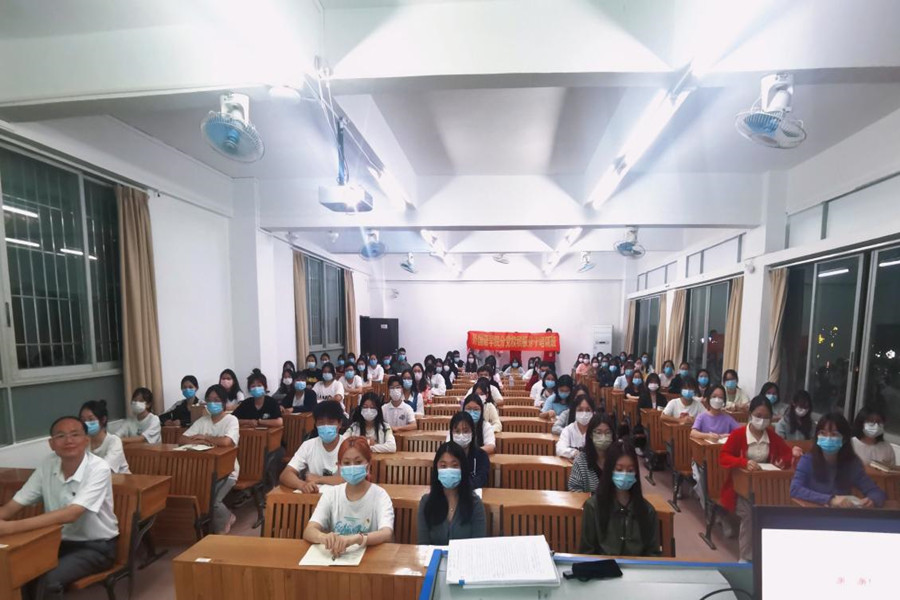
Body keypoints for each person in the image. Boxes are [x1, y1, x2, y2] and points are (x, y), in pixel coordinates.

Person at [0, 416, 119, 597]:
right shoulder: (48, 464)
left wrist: (10, 528)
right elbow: (14, 505)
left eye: (75, 434)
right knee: (17, 571)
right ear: (51, 444)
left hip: (96, 547)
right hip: (56, 542)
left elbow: (72, 514)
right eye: (61, 436)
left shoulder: (99, 468)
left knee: (47, 580)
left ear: (86, 440)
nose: (68, 440)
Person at [719, 396, 795, 562]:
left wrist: (785, 460)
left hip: (766, 488)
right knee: (749, 513)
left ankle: (770, 554)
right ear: (750, 414)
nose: (762, 420)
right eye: (758, 415)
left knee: (778, 511)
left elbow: (786, 454)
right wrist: (743, 462)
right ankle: (746, 557)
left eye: (766, 417)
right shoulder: (738, 435)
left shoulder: (772, 436)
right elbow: (724, 457)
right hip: (739, 490)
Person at [303, 437, 394, 558]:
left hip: (369, 559)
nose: (352, 467)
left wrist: (358, 538)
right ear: (339, 466)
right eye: (346, 463)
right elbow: (309, 530)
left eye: (358, 462)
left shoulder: (380, 495)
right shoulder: (331, 494)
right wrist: (323, 537)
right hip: (337, 557)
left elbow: (386, 533)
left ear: (368, 465)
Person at [579, 440, 660, 556]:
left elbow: (653, 554)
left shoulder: (648, 511)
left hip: (638, 566)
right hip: (604, 566)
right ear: (609, 470)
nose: (625, 474)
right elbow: (586, 552)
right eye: (619, 469)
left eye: (630, 470)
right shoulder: (593, 507)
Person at [179, 385, 241, 533]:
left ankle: (226, 519)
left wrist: (206, 438)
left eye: (216, 400)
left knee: (212, 500)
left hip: (227, 471)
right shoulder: (203, 420)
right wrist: (198, 441)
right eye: (209, 400)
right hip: (203, 471)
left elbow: (226, 441)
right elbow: (182, 439)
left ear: (224, 402)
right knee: (191, 495)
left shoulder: (231, 420)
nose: (212, 403)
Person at [792, 411, 887, 508]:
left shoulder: (852, 464)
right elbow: (795, 489)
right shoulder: (807, 460)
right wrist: (830, 499)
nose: (828, 438)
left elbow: (876, 492)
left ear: (844, 439)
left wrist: (872, 500)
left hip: (842, 514)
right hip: (814, 512)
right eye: (823, 433)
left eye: (834, 434)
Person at [416, 442, 487, 545]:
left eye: (455, 465)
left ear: (462, 469)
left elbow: (478, 545)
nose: (448, 470)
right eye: (443, 466)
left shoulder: (475, 503)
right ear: (436, 469)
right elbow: (423, 545)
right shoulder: (426, 502)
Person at [280, 400, 346, 493]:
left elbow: (349, 479)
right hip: (314, 496)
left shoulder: (349, 445)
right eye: (321, 423)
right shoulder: (308, 445)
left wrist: (318, 479)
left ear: (340, 424)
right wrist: (303, 485)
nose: (326, 426)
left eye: (331, 422)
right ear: (316, 424)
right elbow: (286, 474)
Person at [568, 414, 615, 493]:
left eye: (607, 432)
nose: (603, 437)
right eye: (598, 432)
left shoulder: (618, 458)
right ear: (591, 435)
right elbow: (574, 489)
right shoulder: (581, 461)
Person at [80, 400, 130, 474]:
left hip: (121, 480)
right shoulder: (83, 442)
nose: (86, 424)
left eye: (91, 419)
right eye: (83, 420)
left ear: (103, 419)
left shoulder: (114, 441)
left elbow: (106, 469)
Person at [448, 411, 490, 488]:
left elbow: (481, 479)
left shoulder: (481, 455)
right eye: (457, 431)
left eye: (465, 431)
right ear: (451, 433)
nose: (461, 435)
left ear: (472, 433)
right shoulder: (445, 455)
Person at [556, 395, 596, 460]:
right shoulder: (568, 430)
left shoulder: (596, 430)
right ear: (575, 411)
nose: (584, 413)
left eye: (588, 410)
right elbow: (560, 449)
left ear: (593, 412)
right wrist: (574, 453)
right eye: (580, 410)